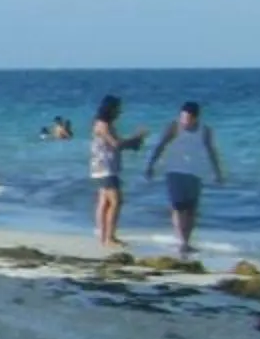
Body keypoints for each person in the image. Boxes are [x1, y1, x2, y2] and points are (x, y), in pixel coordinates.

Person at [144, 100, 227, 259]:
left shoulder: (205, 130)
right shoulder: (174, 127)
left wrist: (218, 172)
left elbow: (211, 151)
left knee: (191, 209)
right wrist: (151, 165)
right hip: (175, 171)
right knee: (178, 206)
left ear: (195, 118)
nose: (184, 121)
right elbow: (161, 145)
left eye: (188, 118)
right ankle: (181, 241)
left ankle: (187, 241)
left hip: (195, 173)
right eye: (182, 117)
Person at [89, 95, 145, 249]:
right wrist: (135, 139)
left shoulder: (103, 124)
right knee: (115, 201)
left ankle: (103, 236)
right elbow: (116, 144)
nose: (119, 112)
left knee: (104, 201)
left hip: (103, 166)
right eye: (117, 109)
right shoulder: (103, 125)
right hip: (105, 167)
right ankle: (109, 237)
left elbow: (116, 144)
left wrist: (133, 143)